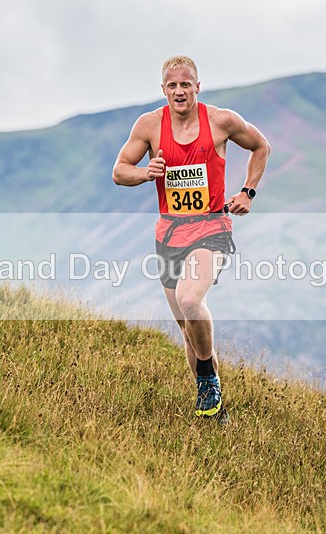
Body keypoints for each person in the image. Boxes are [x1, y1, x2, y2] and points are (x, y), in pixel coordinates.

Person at [112, 55, 270, 422]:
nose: (180, 91)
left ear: (198, 87)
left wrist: (247, 192)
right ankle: (212, 407)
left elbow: (261, 146)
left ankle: (207, 379)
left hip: (212, 226)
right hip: (169, 231)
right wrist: (144, 173)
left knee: (189, 299)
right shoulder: (150, 125)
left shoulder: (221, 121)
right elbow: (120, 171)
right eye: (172, 85)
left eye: (186, 84)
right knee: (187, 328)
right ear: (163, 90)